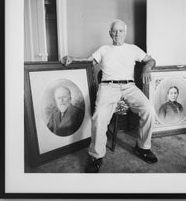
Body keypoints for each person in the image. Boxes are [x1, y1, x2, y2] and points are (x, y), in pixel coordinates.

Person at [61, 19, 158, 172]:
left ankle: (143, 147)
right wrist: (72, 58)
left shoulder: (133, 49)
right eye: (114, 31)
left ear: (125, 33)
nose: (117, 33)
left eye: (120, 31)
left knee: (149, 110)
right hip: (108, 86)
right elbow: (88, 61)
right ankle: (96, 156)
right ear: (110, 33)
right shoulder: (104, 49)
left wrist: (147, 68)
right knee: (99, 117)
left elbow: (151, 60)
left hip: (129, 86)